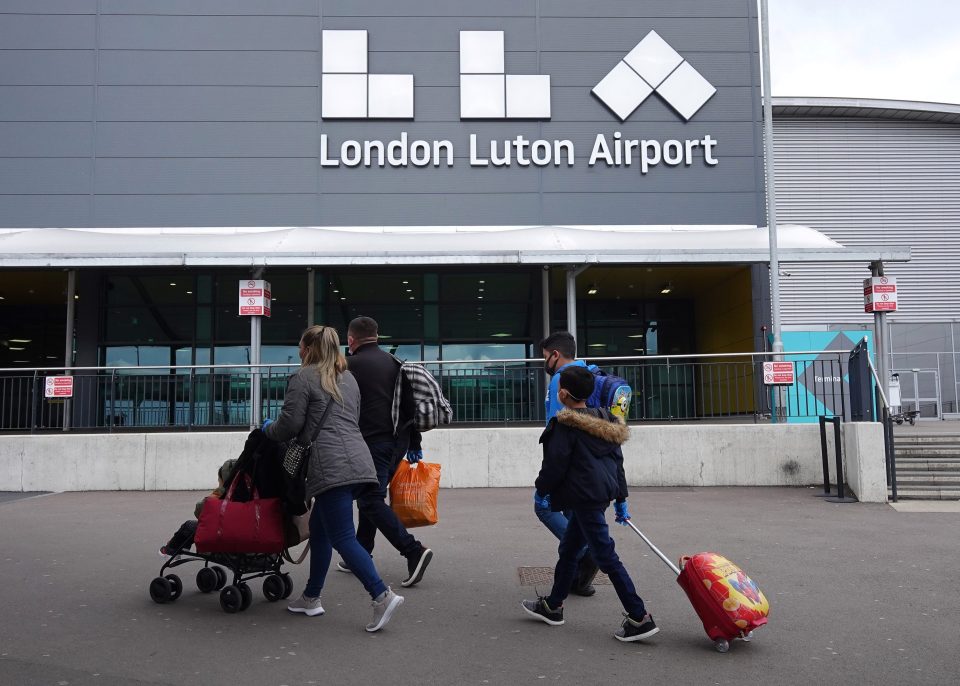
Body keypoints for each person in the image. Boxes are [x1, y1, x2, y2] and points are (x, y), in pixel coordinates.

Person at [263, 325, 403, 633]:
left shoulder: (302, 378)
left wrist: (267, 428)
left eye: (300, 346)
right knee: (320, 530)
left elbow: (290, 424)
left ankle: (381, 594)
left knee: (342, 537)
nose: (298, 351)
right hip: (358, 459)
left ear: (309, 349)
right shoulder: (348, 379)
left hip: (330, 466)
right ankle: (311, 597)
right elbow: (350, 419)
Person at [521, 365, 658, 642]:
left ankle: (639, 616)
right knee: (570, 550)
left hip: (583, 497)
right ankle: (554, 606)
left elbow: (554, 466)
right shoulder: (605, 420)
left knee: (606, 556)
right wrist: (620, 499)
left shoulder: (565, 424)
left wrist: (541, 491)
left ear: (564, 393)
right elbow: (617, 463)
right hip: (600, 494)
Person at [340, 316, 433, 588]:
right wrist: (414, 444)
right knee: (372, 496)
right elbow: (408, 409)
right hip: (397, 443)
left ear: (350, 340)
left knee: (370, 500)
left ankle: (413, 550)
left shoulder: (349, 366)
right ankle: (361, 551)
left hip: (371, 443)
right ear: (377, 336)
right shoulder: (396, 364)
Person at [535, 331, 600, 596]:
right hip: (592, 457)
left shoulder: (561, 380)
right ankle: (576, 578)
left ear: (555, 355)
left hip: (567, 461)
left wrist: (548, 476)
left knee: (544, 507)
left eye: (545, 357)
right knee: (576, 518)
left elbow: (557, 426)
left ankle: (587, 554)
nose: (545, 363)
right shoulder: (589, 372)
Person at [158, 458, 237, 557]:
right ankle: (181, 547)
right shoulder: (250, 495)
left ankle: (170, 550)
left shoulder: (222, 497)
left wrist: (219, 492)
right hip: (248, 542)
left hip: (224, 539)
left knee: (189, 526)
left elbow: (199, 512)